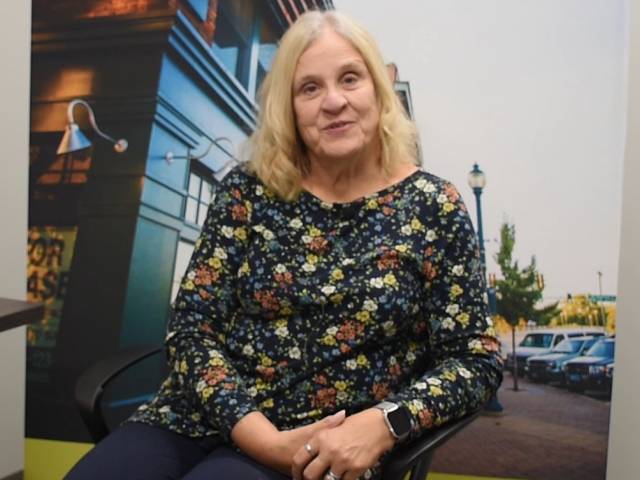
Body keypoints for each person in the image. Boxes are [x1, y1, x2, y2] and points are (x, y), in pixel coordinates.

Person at [66, 9, 502, 480]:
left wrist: (386, 423)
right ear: (289, 108)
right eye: (309, 88)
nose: (333, 101)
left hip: (323, 448)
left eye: (350, 79)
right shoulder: (248, 191)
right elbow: (192, 329)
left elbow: (474, 362)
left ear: (379, 89)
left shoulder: (433, 206)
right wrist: (259, 436)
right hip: (198, 419)